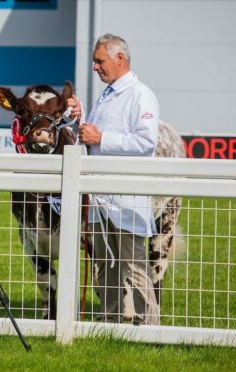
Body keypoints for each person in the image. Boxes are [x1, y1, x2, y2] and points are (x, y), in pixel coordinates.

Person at [68, 33, 160, 325]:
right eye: (95, 61)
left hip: (126, 196)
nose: (95, 67)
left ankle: (151, 327)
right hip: (99, 195)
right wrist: (80, 121)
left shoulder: (140, 94)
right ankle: (111, 323)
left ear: (119, 59)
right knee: (104, 266)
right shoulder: (107, 94)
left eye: (99, 61)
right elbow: (91, 140)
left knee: (134, 265)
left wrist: (101, 137)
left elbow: (146, 141)